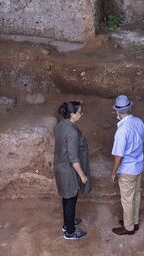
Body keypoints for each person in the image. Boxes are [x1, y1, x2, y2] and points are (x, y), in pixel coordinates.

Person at [54, 101, 91, 240]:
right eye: (79, 112)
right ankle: (70, 232)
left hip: (60, 166)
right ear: (72, 114)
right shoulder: (72, 132)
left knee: (66, 197)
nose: (81, 114)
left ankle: (67, 223)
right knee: (71, 199)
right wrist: (82, 176)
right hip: (67, 170)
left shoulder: (61, 124)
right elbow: (73, 158)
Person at [110, 94, 144, 236]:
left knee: (127, 200)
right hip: (139, 165)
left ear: (117, 112)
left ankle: (129, 227)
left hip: (127, 170)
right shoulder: (139, 121)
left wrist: (114, 172)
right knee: (136, 195)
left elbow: (119, 155)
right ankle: (134, 222)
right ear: (129, 108)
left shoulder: (122, 131)